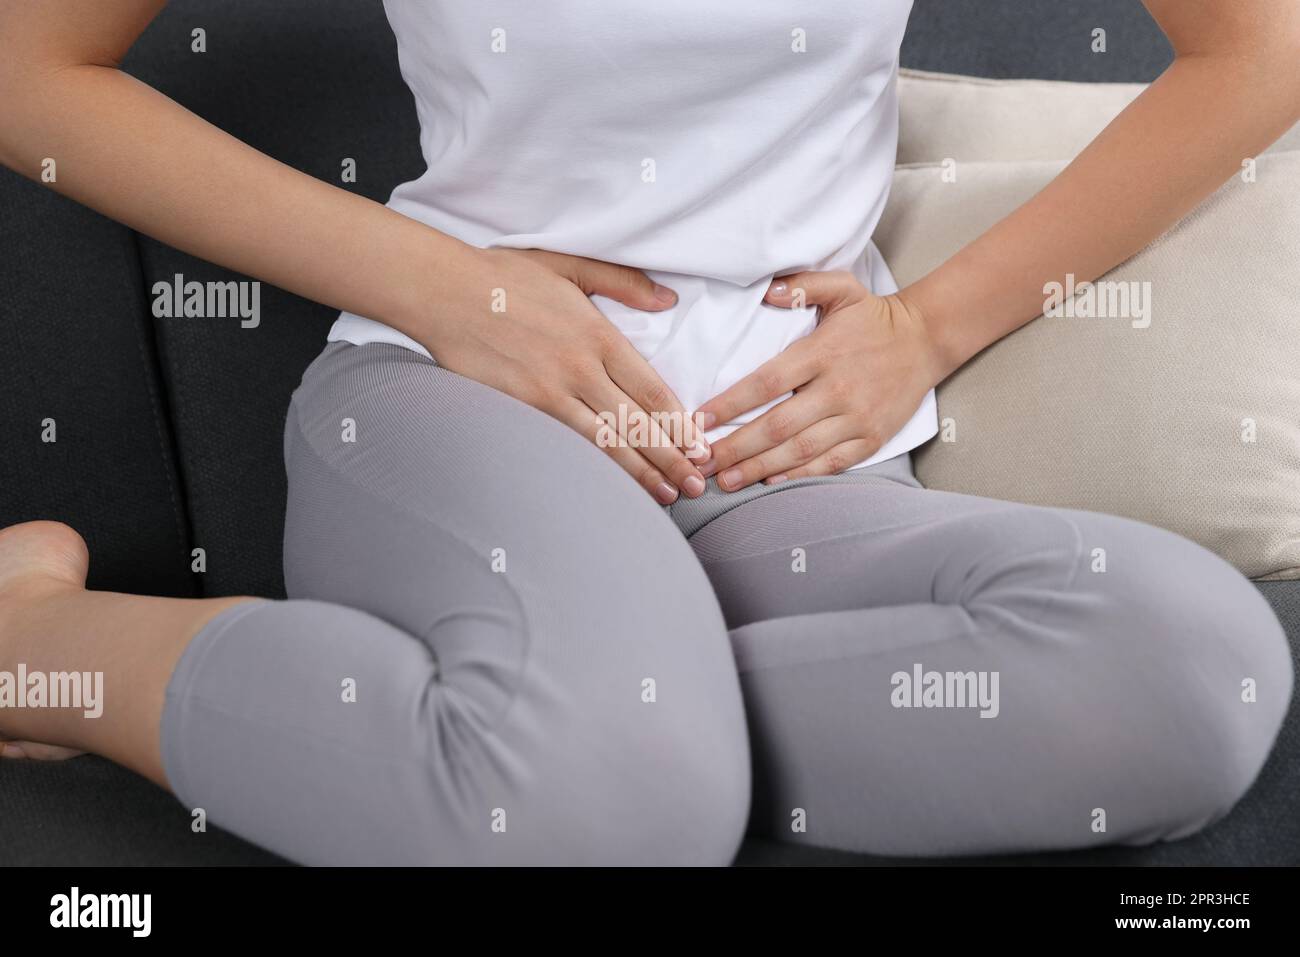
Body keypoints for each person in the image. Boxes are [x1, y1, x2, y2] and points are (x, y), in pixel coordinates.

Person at [0, 0, 1295, 864]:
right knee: (602, 815)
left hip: (782, 451)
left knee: (1188, 669)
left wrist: (933, 326)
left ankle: (542, 708)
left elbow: (1261, 43)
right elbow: (24, 61)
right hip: (468, 396)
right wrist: (441, 284)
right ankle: (37, 639)